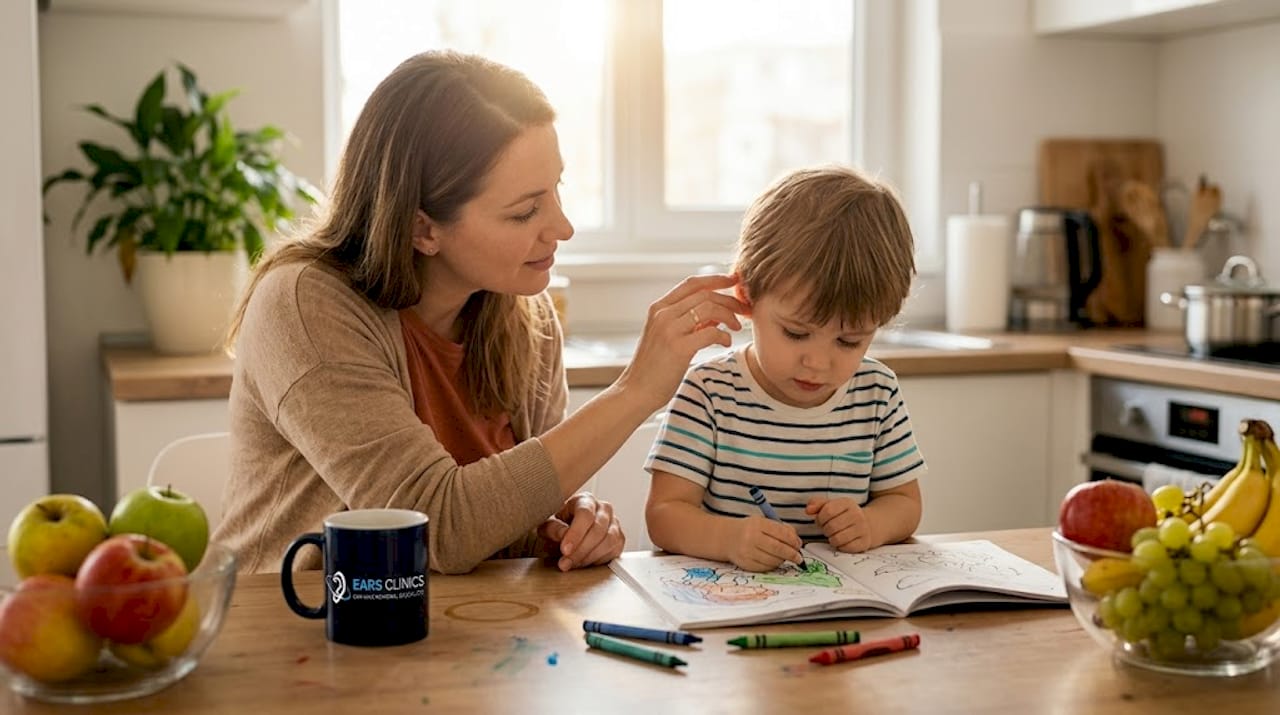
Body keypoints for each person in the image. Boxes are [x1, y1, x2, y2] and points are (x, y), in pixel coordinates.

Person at [213, 50, 745, 575]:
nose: (562, 227)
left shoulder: (527, 316)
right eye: (524, 211)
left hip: (463, 634)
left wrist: (573, 518)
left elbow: (517, 500)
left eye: (557, 188)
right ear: (423, 229)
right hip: (297, 632)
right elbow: (438, 529)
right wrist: (637, 389)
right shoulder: (305, 306)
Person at [644, 166, 926, 572]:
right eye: (796, 333)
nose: (818, 362)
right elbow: (665, 514)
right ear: (746, 295)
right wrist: (728, 539)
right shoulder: (709, 392)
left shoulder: (876, 392)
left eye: (849, 342)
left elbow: (905, 503)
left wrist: (870, 524)